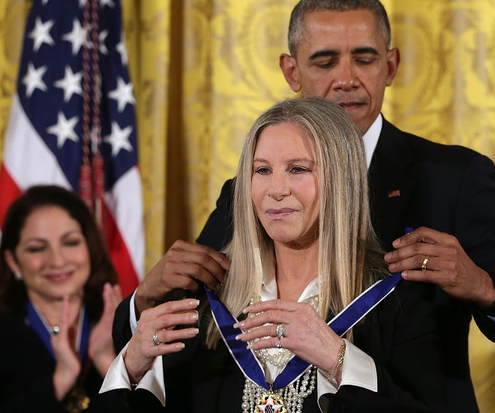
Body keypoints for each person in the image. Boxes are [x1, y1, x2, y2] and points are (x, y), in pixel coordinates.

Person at [123, 0, 495, 411]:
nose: (346, 79)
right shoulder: (252, 190)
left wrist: (483, 286)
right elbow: (196, 330)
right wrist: (145, 299)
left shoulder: (453, 178)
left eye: (364, 59)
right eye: (324, 62)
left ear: (391, 65)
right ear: (291, 70)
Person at [98, 97, 445, 412]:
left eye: (298, 169)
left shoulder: (402, 301)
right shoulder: (203, 302)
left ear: (342, 180)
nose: (276, 190)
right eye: (262, 170)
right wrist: (129, 367)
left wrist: (339, 360)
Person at [0, 185, 122, 413]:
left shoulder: (130, 329)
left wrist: (109, 363)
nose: (56, 261)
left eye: (70, 242)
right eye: (37, 248)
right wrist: (59, 381)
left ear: (90, 248)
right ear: (13, 261)